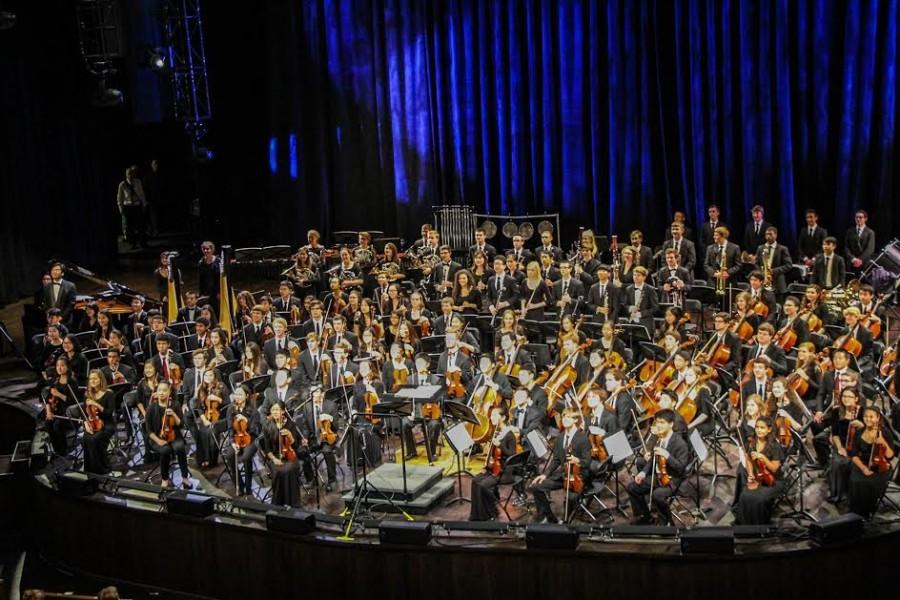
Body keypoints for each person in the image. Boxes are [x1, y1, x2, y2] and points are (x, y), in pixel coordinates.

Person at [626, 410, 692, 525]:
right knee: (632, 487)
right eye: (657, 423)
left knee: (657, 495)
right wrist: (643, 473)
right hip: (659, 476)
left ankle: (667, 521)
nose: (658, 426)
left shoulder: (680, 443)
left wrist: (667, 455)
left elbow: (681, 469)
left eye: (662, 423)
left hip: (673, 480)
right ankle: (645, 516)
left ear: (671, 424)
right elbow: (653, 459)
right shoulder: (658, 438)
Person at [529, 407, 591, 523]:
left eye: (569, 417)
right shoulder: (560, 437)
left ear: (575, 420)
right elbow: (556, 460)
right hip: (563, 475)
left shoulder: (583, 439)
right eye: (563, 416)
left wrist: (576, 460)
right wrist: (545, 475)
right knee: (536, 486)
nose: (565, 419)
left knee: (571, 498)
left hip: (577, 477)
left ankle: (565, 522)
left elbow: (587, 462)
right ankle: (549, 517)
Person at [732, 416, 785, 525]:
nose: (759, 430)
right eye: (757, 427)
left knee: (759, 498)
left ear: (769, 429)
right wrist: (751, 474)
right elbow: (749, 459)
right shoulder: (753, 442)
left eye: (762, 428)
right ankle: (745, 526)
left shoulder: (774, 446)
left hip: (773, 481)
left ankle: (760, 525)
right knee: (744, 495)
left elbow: (774, 469)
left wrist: (763, 457)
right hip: (759, 477)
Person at [470, 405, 518, 521]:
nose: (491, 418)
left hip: (505, 472)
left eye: (494, 416)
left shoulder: (509, 434)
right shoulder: (495, 432)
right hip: (494, 468)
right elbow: (493, 455)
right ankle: (478, 516)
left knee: (483, 485)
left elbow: (513, 455)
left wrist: (500, 445)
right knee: (475, 481)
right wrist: (486, 467)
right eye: (491, 416)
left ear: (502, 418)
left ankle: (490, 514)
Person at [847, 407, 896, 518]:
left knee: (869, 484)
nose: (868, 419)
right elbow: (853, 454)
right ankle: (854, 514)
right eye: (865, 416)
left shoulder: (885, 432)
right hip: (862, 463)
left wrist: (883, 442)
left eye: (871, 417)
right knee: (855, 481)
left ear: (878, 418)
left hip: (881, 465)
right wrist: (864, 468)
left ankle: (865, 513)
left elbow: (890, 456)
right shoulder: (859, 432)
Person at [145, 380, 192, 488]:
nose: (161, 393)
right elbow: (148, 430)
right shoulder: (152, 408)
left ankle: (185, 477)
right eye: (159, 390)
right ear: (156, 392)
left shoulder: (175, 404)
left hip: (173, 435)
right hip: (157, 437)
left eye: (164, 390)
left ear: (169, 392)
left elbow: (181, 425)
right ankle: (164, 479)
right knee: (165, 451)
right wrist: (158, 440)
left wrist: (174, 414)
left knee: (180, 448)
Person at [260, 401, 304, 507]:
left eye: (277, 409)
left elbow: (296, 445)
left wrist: (290, 436)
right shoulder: (267, 425)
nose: (275, 412)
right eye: (273, 409)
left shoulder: (290, 424)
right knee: (279, 471)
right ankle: (278, 503)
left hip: (290, 454)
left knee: (291, 468)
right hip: (274, 456)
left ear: (283, 411)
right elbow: (266, 448)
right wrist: (274, 460)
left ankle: (294, 503)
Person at [296, 385, 340, 491]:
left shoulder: (331, 405)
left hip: (327, 437)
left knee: (327, 451)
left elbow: (336, 427)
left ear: (322, 394)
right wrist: (305, 438)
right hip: (313, 438)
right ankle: (311, 479)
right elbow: (306, 426)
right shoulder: (307, 407)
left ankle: (332, 480)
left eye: (316, 392)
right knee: (301, 451)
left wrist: (331, 418)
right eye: (312, 393)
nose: (313, 395)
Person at [222, 385, 261, 496]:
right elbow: (230, 428)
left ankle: (248, 488)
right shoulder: (231, 409)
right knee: (229, 455)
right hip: (236, 439)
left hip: (251, 439)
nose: (237, 397)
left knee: (246, 456)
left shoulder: (253, 410)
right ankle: (239, 484)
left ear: (246, 396)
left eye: (240, 394)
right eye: (236, 394)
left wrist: (246, 421)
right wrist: (232, 442)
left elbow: (255, 430)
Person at [80, 369, 116, 475]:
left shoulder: (108, 394)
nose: (93, 381)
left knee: (95, 439)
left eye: (95, 378)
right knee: (86, 438)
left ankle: (102, 468)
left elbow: (109, 413)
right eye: (91, 379)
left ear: (101, 380)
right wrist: (86, 424)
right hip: (92, 424)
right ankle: (90, 469)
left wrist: (96, 405)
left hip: (107, 424)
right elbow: (84, 413)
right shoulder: (87, 394)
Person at [116, 165, 146, 247]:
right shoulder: (122, 185)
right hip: (128, 207)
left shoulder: (138, 182)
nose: (130, 175)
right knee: (130, 227)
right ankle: (133, 243)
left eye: (131, 173)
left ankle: (142, 242)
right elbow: (119, 198)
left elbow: (141, 194)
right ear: (126, 175)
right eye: (128, 173)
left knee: (140, 225)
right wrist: (120, 208)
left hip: (137, 205)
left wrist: (144, 204)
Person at [197, 241, 220, 309]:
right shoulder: (201, 263)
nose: (206, 251)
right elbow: (201, 279)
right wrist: (201, 294)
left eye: (207, 249)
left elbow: (220, 278)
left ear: (212, 249)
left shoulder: (218, 261)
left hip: (216, 291)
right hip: (206, 291)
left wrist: (219, 292)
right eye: (204, 249)